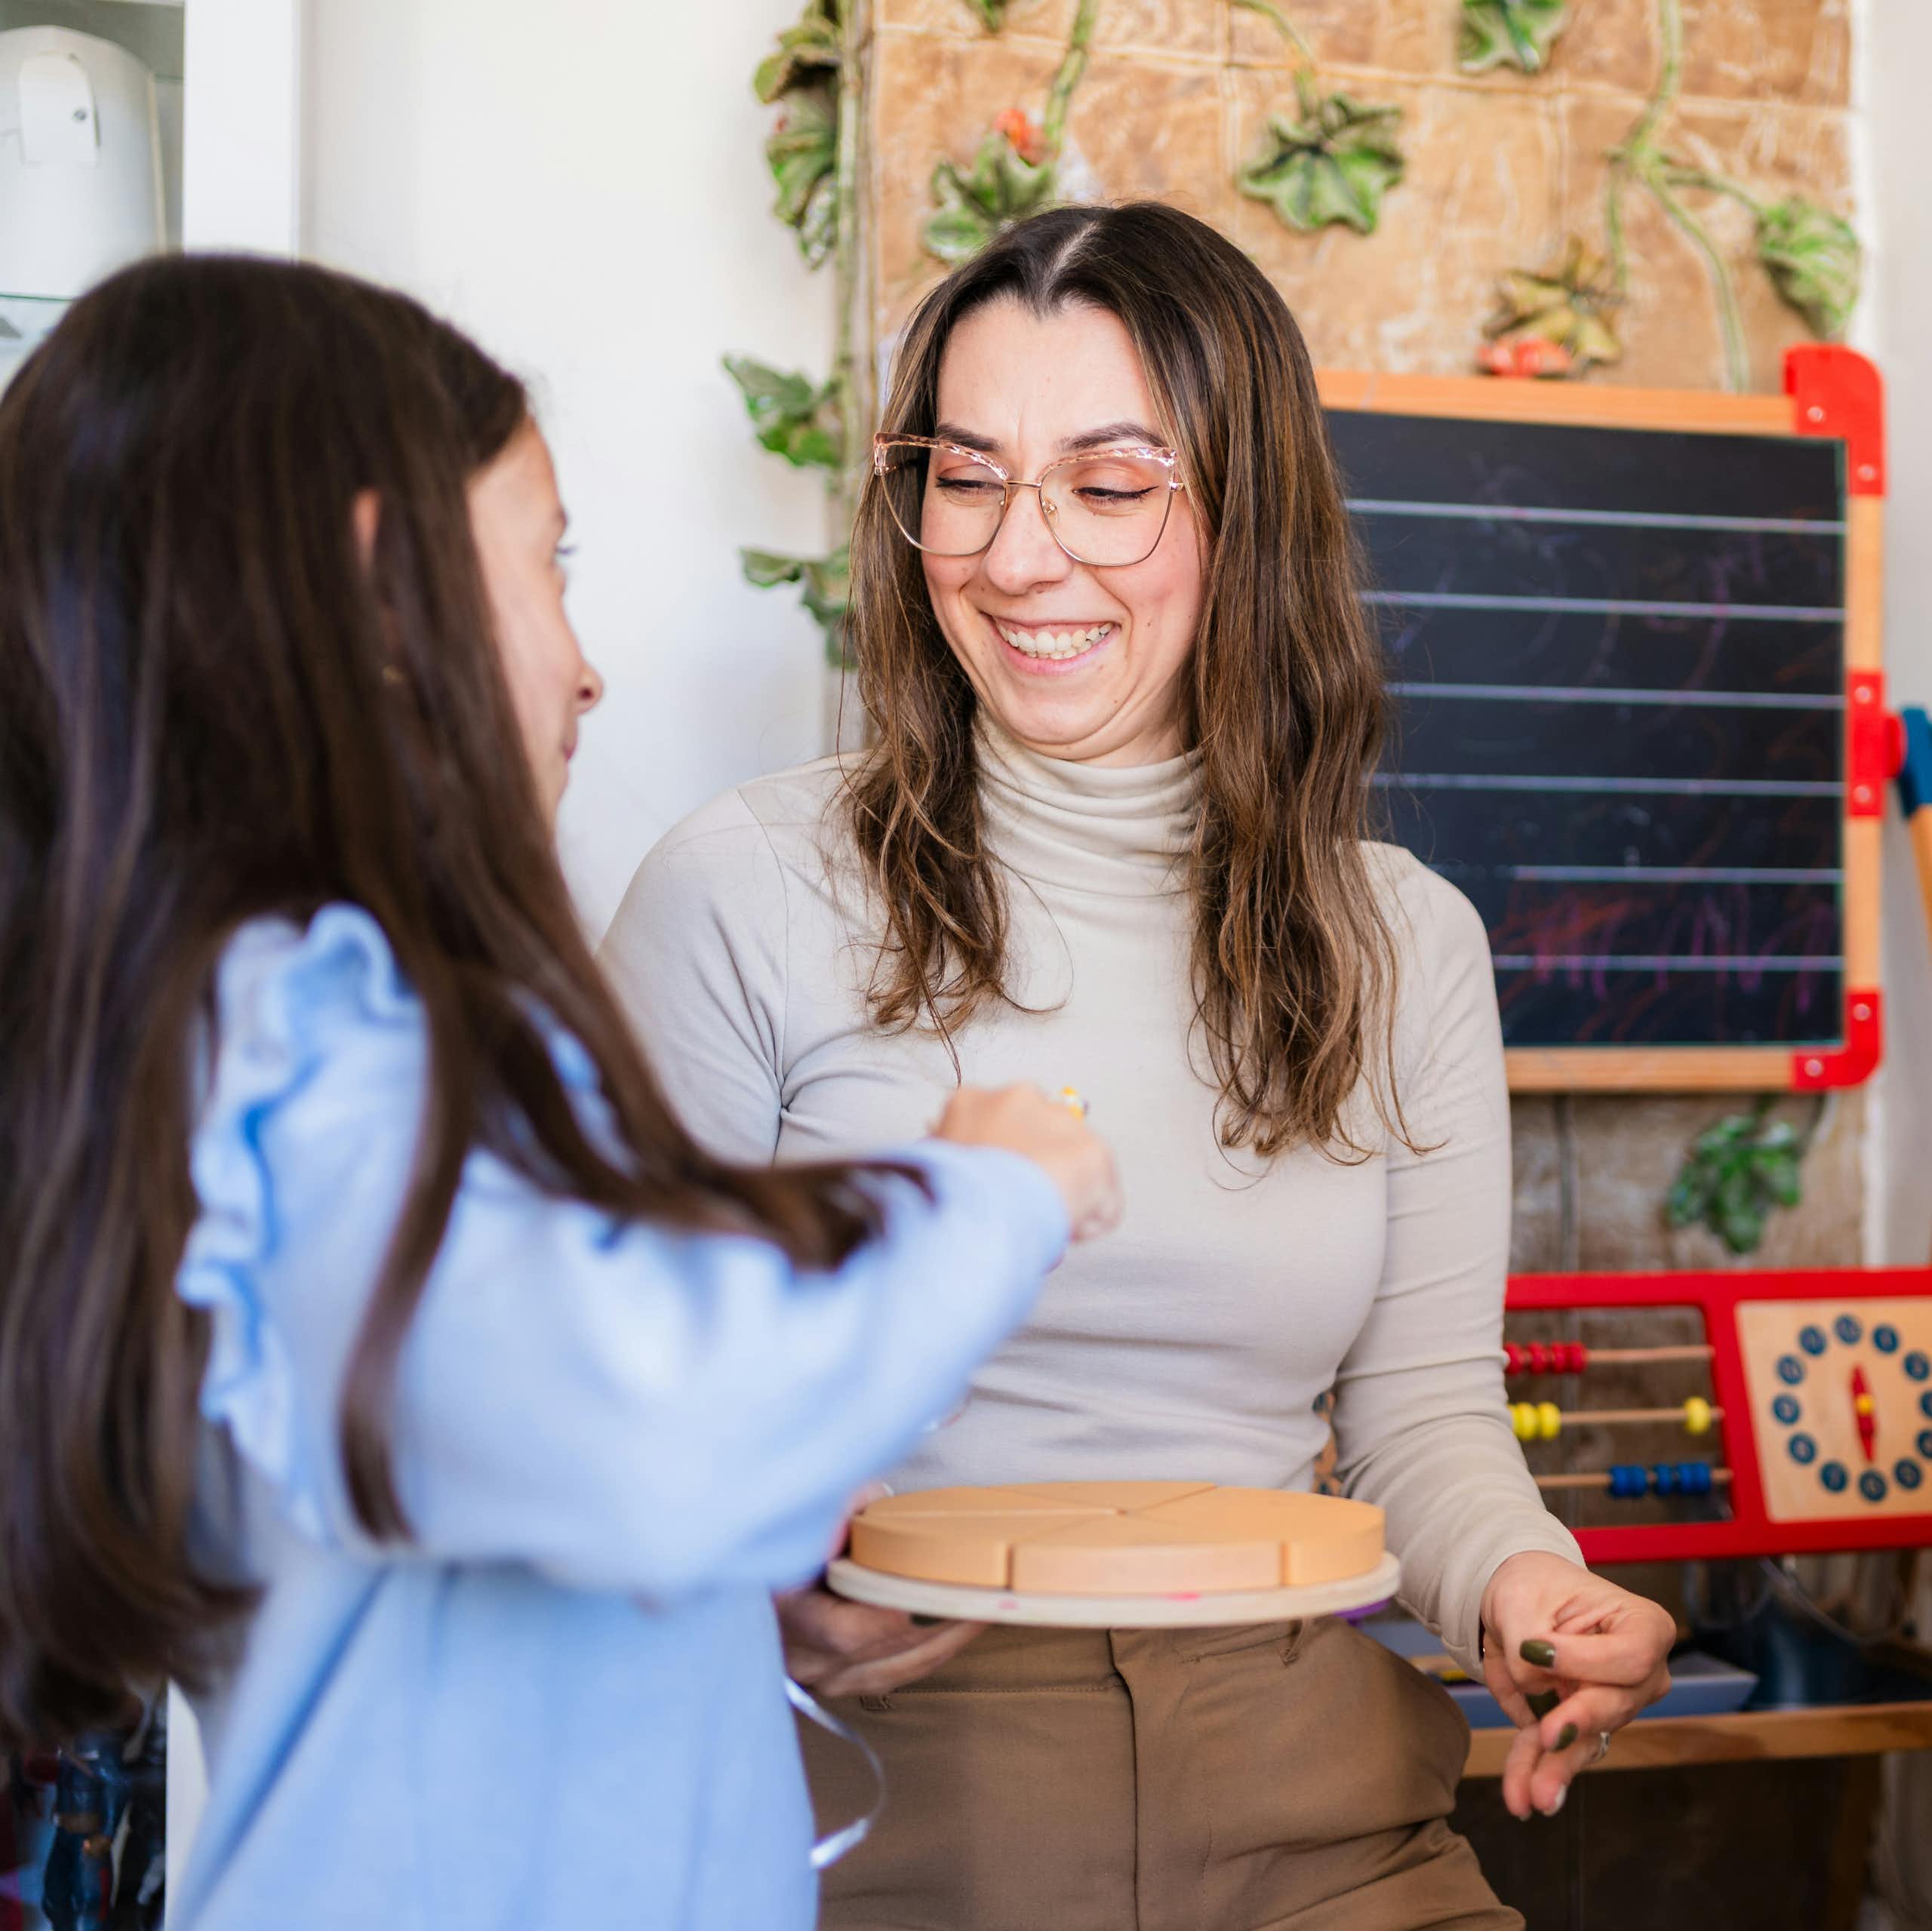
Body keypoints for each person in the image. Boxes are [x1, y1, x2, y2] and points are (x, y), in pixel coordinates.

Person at [0, 254, 1121, 1931]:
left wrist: (753, 1560)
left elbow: (526, 1420)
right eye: (552, 563)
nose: (589, 668)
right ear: (387, 593)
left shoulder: (332, 1030)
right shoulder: (303, 1036)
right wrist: (982, 1188)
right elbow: (654, 1423)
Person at [601, 201, 1677, 1929]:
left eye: (1106, 485)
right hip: (878, 1797)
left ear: (1244, 518)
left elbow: (1416, 1415)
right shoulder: (737, 889)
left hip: (1316, 1794)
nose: (1018, 556)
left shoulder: (1404, 940)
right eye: (965, 476)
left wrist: (1532, 1591)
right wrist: (761, 1560)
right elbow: (615, 1404)